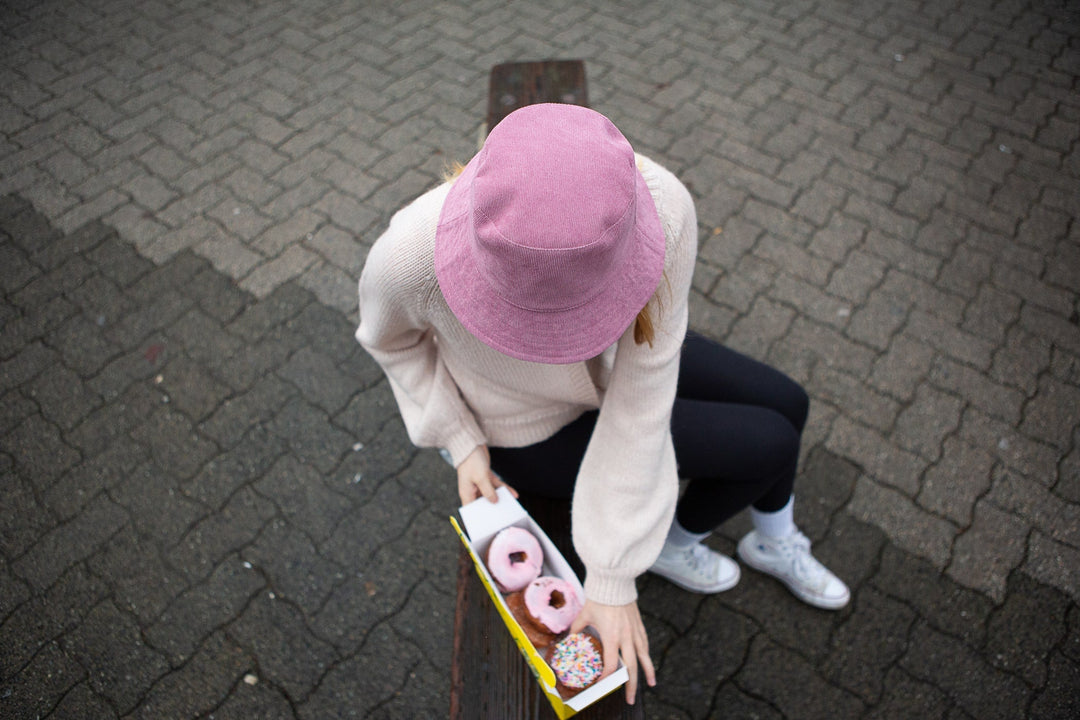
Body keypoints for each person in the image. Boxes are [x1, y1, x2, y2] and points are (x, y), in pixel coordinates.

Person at [356, 103, 849, 705]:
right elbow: (389, 341)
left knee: (788, 403)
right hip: (526, 426)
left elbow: (642, 399)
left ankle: (765, 540)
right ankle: (674, 546)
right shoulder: (409, 258)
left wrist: (611, 571)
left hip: (621, 367)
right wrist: (460, 437)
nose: (557, 341)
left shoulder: (664, 208)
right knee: (771, 443)